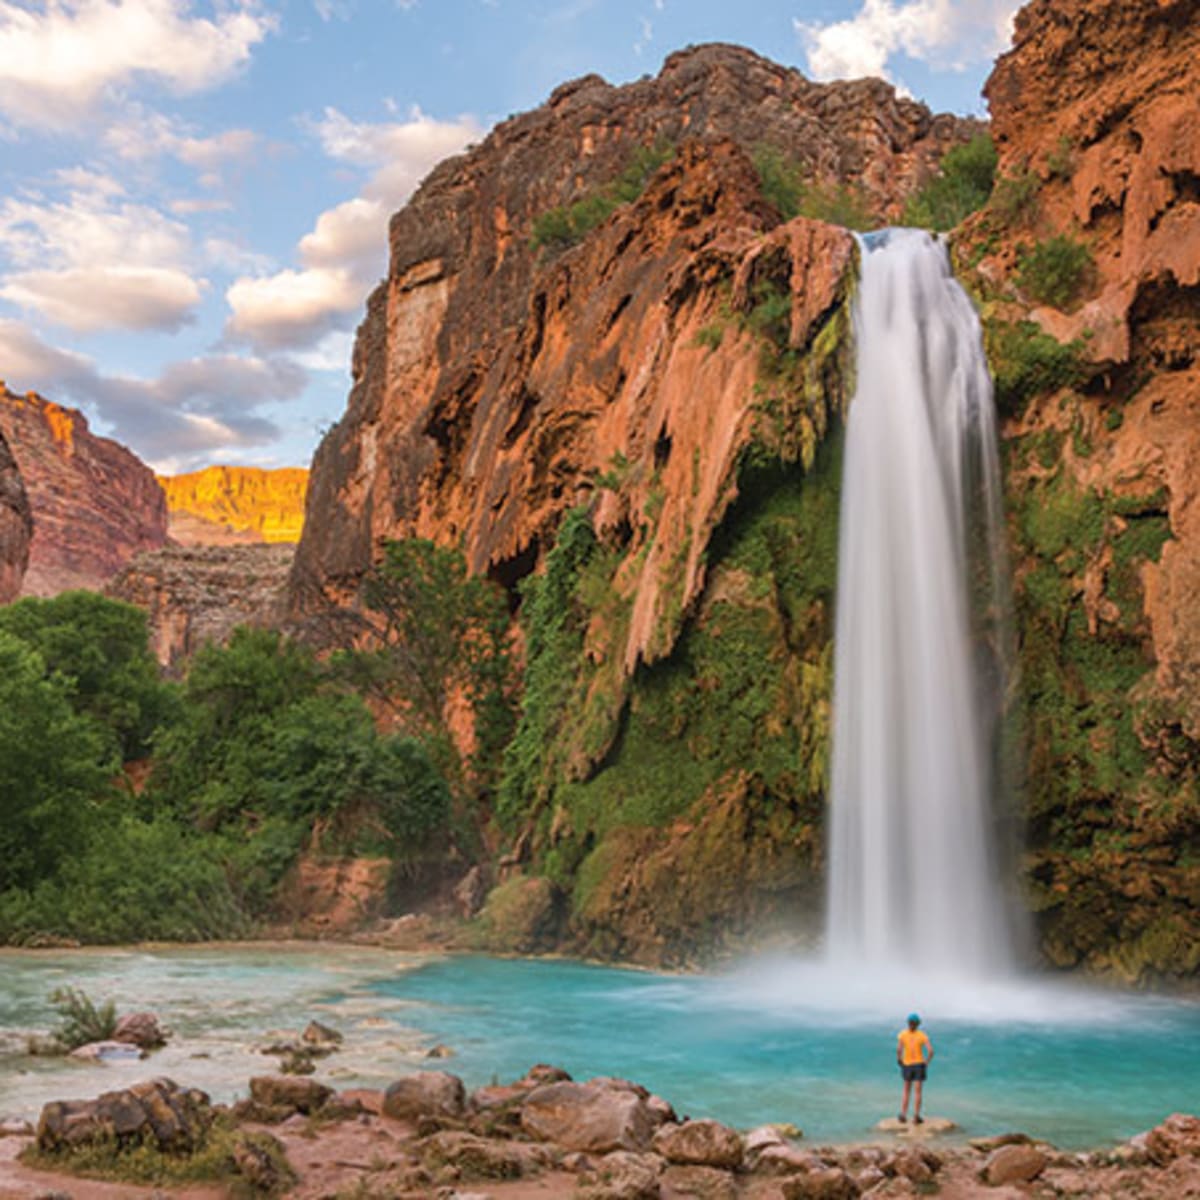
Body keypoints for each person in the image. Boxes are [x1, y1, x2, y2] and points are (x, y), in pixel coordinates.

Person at [896, 1012, 933, 1124]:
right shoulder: (922, 1035)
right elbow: (931, 1051)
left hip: (907, 1064)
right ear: (918, 1024)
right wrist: (926, 1062)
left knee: (906, 1091)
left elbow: (899, 1050)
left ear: (908, 1023)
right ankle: (916, 1116)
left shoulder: (903, 1034)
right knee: (918, 1092)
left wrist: (899, 1059)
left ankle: (903, 1115)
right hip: (919, 1065)